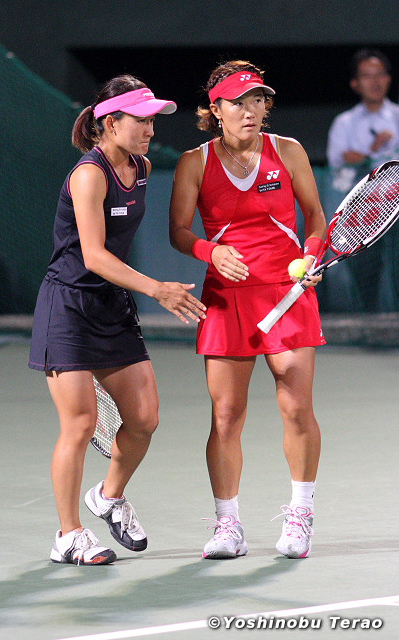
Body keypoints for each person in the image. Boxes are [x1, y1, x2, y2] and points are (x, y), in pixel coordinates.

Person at [29, 74, 206, 565]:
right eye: (141, 120)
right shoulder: (89, 174)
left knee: (144, 420)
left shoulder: (141, 167)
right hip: (68, 308)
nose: (150, 129)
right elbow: (93, 255)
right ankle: (68, 535)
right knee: (80, 423)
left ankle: (108, 496)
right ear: (110, 123)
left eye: (152, 120)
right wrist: (156, 288)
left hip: (111, 308)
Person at [169, 60, 326, 560]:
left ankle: (300, 515)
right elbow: (179, 232)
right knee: (226, 416)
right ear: (215, 110)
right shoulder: (194, 162)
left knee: (296, 407)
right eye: (238, 102)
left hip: (286, 293)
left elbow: (315, 217)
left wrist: (312, 255)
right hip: (227, 298)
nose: (250, 110)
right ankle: (228, 525)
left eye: (257, 100)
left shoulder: (289, 151)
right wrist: (209, 251)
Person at [327, 49, 399, 311]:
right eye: (367, 76)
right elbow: (340, 160)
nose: (374, 81)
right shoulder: (344, 123)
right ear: (355, 83)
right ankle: (368, 325)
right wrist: (373, 150)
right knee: (365, 277)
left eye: (379, 74)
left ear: (388, 79)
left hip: (397, 209)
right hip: (364, 215)